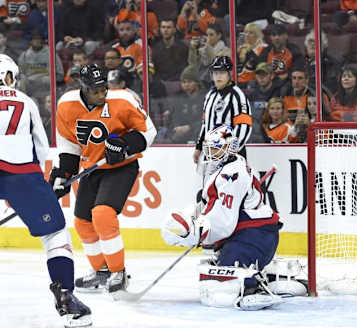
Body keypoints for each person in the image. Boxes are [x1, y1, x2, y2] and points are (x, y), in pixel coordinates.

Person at [162, 125, 298, 310]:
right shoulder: (228, 166)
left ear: (230, 147)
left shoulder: (231, 174)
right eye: (209, 148)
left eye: (216, 148)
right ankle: (264, 276)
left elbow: (224, 223)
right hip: (250, 235)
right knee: (218, 280)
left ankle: (254, 287)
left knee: (223, 286)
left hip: (254, 238)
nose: (210, 153)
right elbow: (210, 206)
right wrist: (192, 218)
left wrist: (196, 233)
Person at [0, 54, 92, 327]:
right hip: (22, 176)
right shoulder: (26, 102)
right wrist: (37, 188)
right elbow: (40, 147)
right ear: (9, 77)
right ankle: (66, 298)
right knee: (55, 233)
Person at [50, 64, 157, 296]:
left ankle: (119, 272)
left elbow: (148, 131)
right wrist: (64, 174)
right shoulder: (66, 105)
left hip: (121, 167)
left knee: (103, 214)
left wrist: (125, 144)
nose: (101, 94)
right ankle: (102, 271)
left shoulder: (122, 100)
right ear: (83, 88)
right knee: (82, 222)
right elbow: (69, 145)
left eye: (103, 89)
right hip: (92, 169)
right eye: (95, 91)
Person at [193, 56, 252, 164]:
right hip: (211, 153)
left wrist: (232, 151)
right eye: (215, 73)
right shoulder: (210, 95)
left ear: (229, 74)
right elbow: (205, 124)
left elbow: (244, 126)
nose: (218, 76)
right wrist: (199, 147)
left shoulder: (237, 95)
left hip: (232, 156)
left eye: (222, 72)